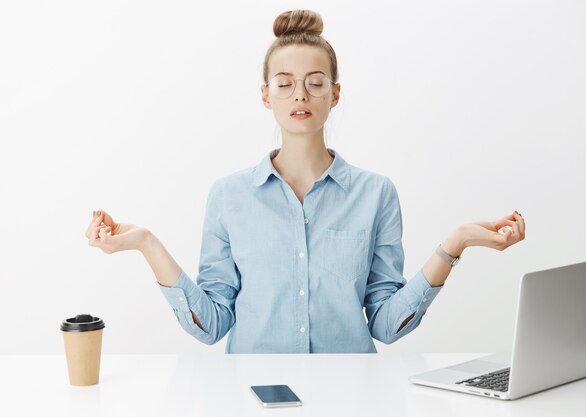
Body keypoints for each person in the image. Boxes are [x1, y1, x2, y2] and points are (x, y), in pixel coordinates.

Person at [84, 9, 525, 353]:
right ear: (265, 95)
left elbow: (387, 326)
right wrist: (146, 243)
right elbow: (212, 325)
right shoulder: (228, 197)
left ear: (335, 93)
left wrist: (455, 244)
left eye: (315, 83)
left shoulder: (376, 194)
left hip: (352, 393)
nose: (300, 95)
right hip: (252, 394)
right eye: (285, 83)